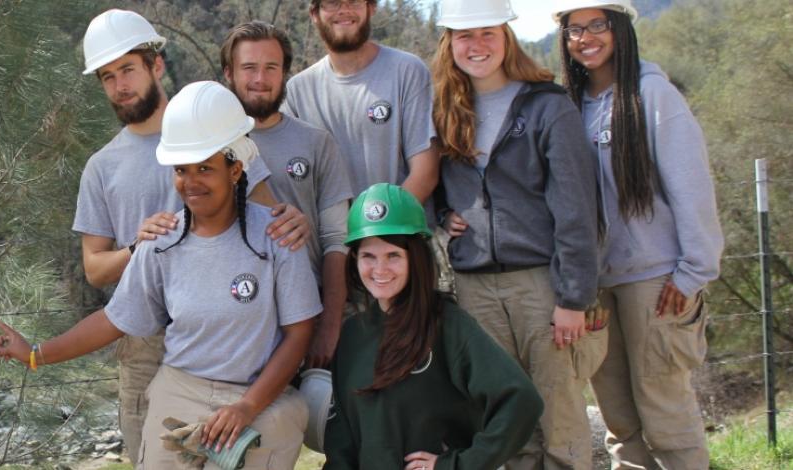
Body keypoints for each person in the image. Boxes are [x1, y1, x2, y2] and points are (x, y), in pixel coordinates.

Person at [0, 81, 320, 470]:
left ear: (235, 169)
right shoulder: (161, 243)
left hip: (260, 400)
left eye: (205, 167)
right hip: (178, 396)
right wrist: (36, 355)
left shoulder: (277, 237)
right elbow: (115, 320)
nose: (191, 181)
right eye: (181, 169)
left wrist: (246, 407)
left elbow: (299, 334)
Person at [74, 9, 309, 462]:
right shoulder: (101, 167)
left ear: (155, 65)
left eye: (128, 69)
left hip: (228, 331)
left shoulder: (213, 126)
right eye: (108, 76)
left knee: (240, 450)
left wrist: (295, 221)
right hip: (142, 336)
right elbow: (94, 268)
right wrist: (139, 248)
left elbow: (266, 220)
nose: (120, 85)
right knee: (150, 452)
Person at [430, 1, 605, 467]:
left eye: (488, 32)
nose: (477, 45)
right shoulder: (447, 109)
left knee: (560, 415)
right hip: (474, 288)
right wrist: (445, 212)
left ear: (508, 36)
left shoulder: (547, 104)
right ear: (450, 43)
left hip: (541, 285)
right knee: (507, 417)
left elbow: (577, 209)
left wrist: (573, 299)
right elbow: (432, 182)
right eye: (465, 36)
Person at [554, 1, 723, 467]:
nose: (586, 38)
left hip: (657, 280)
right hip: (596, 286)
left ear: (621, 28)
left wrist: (693, 273)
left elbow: (692, 187)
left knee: (666, 415)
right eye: (574, 30)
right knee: (620, 423)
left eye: (598, 25)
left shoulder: (653, 95)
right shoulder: (568, 105)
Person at [324, 183, 543, 470]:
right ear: (355, 260)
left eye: (393, 256)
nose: (379, 269)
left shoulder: (447, 324)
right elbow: (342, 439)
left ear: (415, 258)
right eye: (368, 256)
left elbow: (521, 401)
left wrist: (458, 464)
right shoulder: (352, 334)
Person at [221, 21, 355, 369]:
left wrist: (329, 323)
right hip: (237, 323)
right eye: (249, 68)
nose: (260, 79)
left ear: (284, 74)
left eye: (271, 68)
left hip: (305, 315)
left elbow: (336, 239)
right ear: (228, 73)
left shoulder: (315, 141)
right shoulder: (207, 148)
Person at [284, 0, 439, 204]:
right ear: (314, 13)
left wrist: (379, 230)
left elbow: (425, 173)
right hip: (331, 234)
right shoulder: (298, 91)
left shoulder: (407, 70)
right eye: (332, 2)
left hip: (400, 229)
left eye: (354, 1)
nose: (344, 9)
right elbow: (292, 178)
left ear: (371, 7)